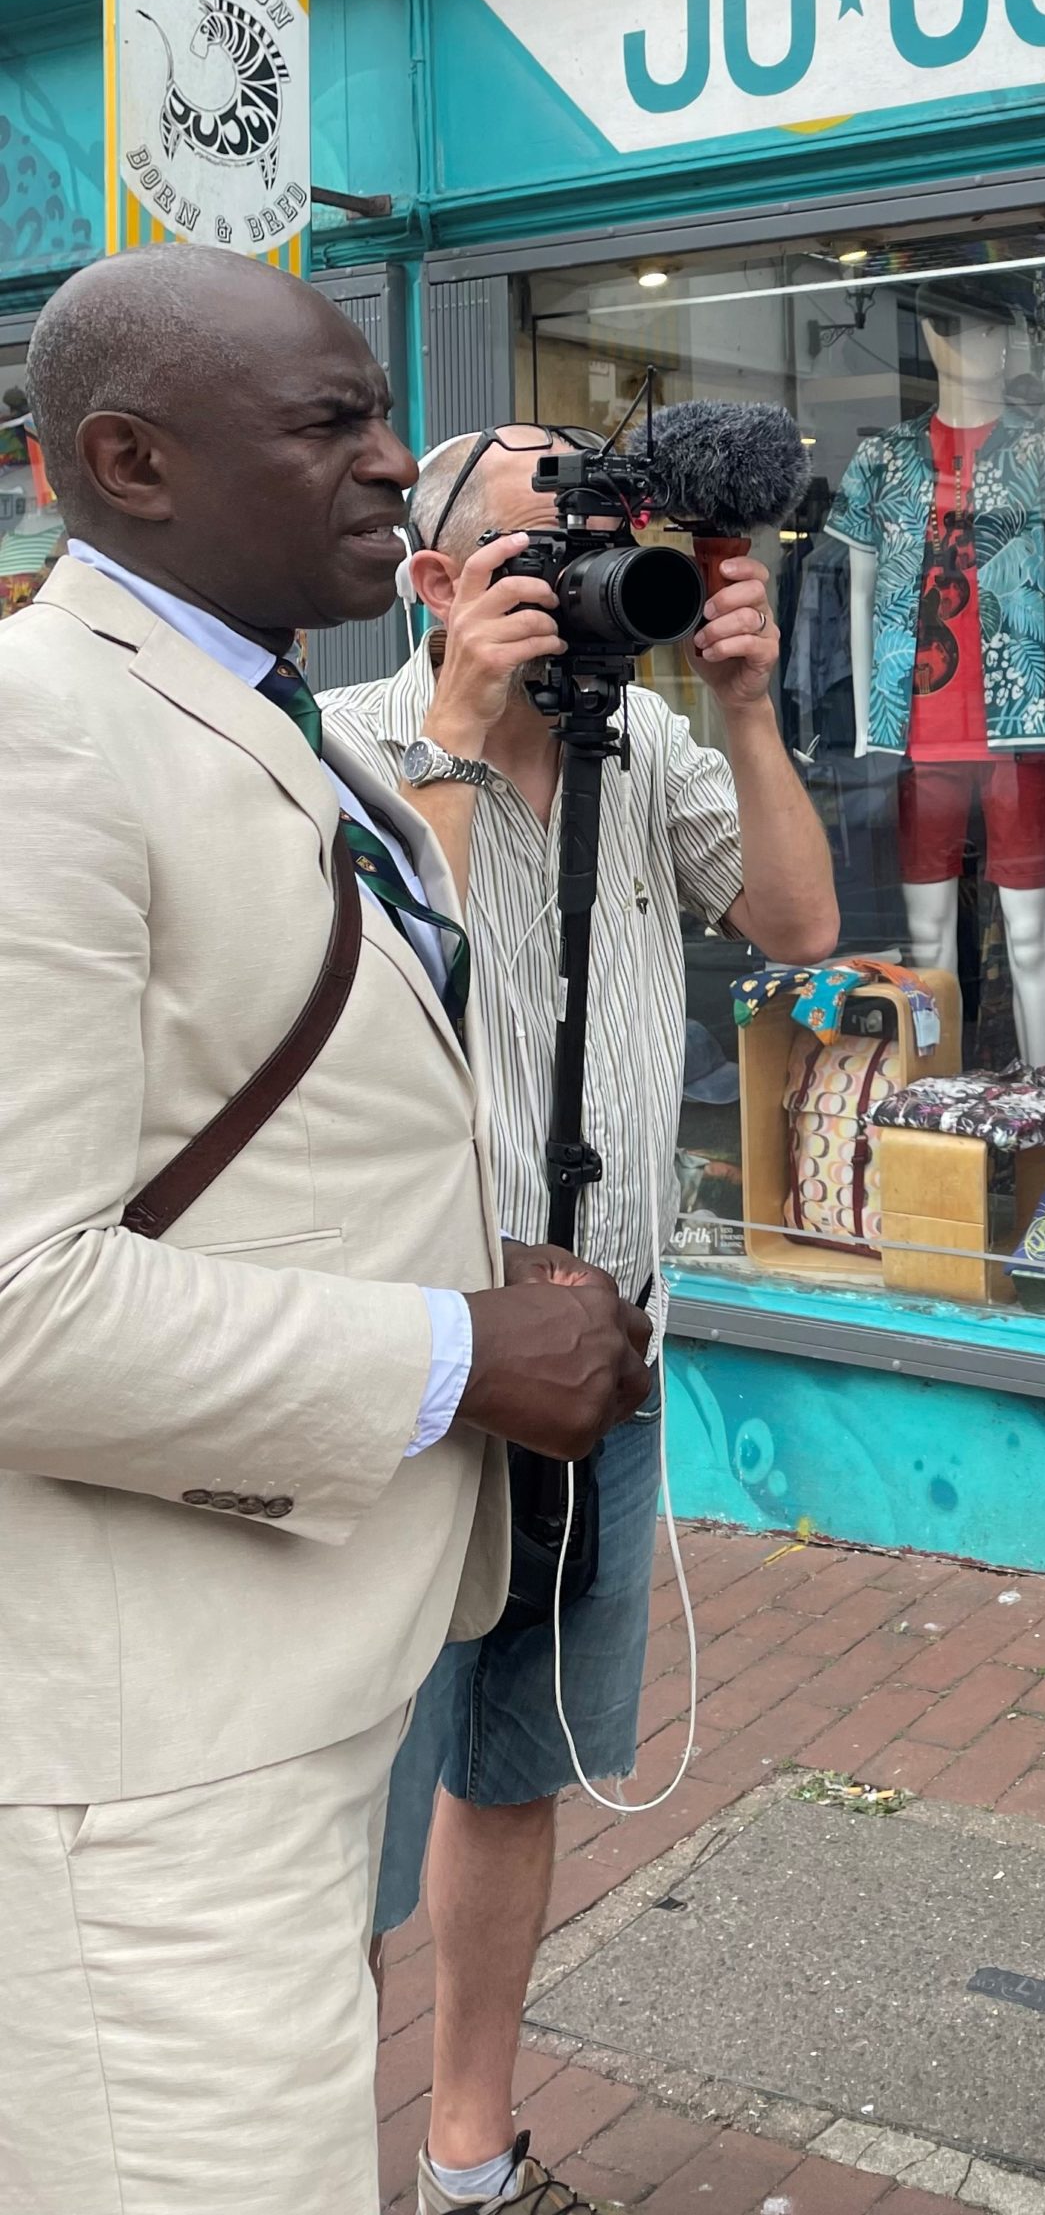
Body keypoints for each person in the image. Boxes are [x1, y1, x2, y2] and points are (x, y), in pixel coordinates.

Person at [0, 246, 653, 2215]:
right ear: (129, 458)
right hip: (144, 1768)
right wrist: (461, 1351)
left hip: (278, 1686)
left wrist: (485, 1265)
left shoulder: (261, 711)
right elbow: (18, 1296)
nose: (395, 466)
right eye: (332, 424)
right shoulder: (45, 738)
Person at [322, 424, 838, 2215]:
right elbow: (400, 994)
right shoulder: (342, 756)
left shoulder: (656, 746)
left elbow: (796, 917)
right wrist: (465, 735)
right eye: (551, 550)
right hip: (404, 1363)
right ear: (440, 581)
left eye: (603, 547)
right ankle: (302, 2156)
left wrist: (747, 702)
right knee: (342, 1800)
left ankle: (468, 2155)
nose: (586, 584)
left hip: (603, 1353)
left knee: (514, 1761)